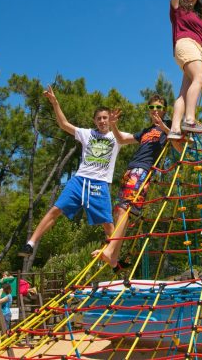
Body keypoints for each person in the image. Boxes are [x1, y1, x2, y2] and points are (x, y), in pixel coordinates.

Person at [19, 86, 123, 257]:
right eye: (99, 118)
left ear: (110, 119)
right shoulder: (87, 134)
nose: (102, 121)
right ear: (94, 121)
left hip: (100, 183)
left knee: (108, 224)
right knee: (55, 210)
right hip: (80, 180)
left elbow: (137, 139)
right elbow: (63, 124)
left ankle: (115, 259)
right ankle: (30, 243)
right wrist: (55, 102)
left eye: (105, 118)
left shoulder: (116, 137)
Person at [91, 94, 180, 269]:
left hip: (143, 170)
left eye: (158, 108)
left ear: (164, 111)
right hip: (131, 169)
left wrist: (164, 127)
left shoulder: (168, 126)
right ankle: (114, 257)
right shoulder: (146, 131)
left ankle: (110, 251)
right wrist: (114, 125)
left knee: (125, 209)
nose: (155, 111)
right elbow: (122, 140)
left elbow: (180, 144)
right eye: (152, 108)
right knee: (119, 211)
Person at [166, 0, 202, 139]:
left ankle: (175, 128)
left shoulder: (200, 18)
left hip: (198, 51)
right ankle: (189, 119)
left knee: (184, 90)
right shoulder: (178, 10)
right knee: (200, 78)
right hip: (185, 45)